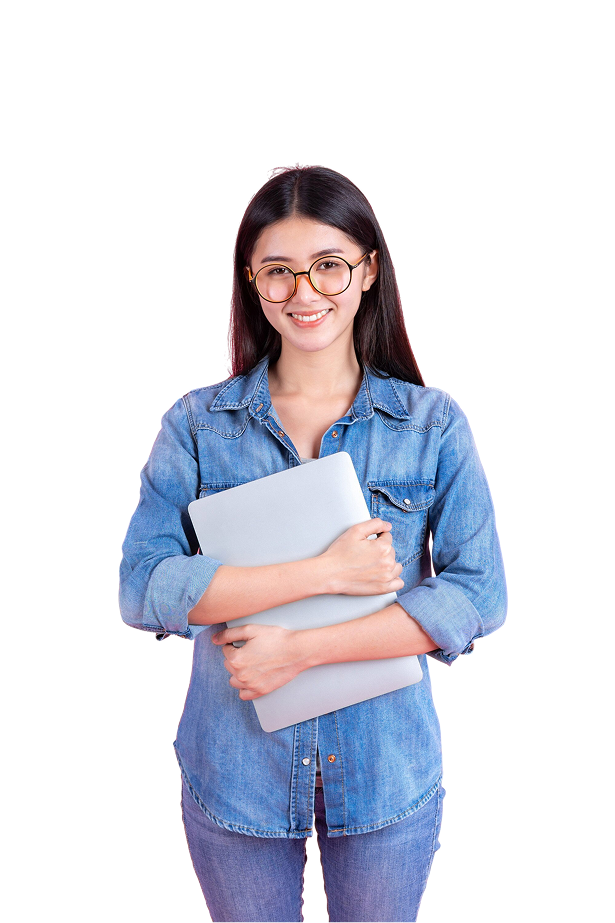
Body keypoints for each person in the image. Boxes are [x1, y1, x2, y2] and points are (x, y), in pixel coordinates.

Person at [119, 164, 507, 922]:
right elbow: (142, 586)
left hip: (387, 775)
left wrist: (301, 650)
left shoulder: (431, 425)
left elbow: (478, 593)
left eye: (327, 265)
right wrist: (322, 571)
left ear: (366, 270)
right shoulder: (196, 426)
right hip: (234, 779)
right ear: (251, 281)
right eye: (279, 272)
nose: (305, 293)